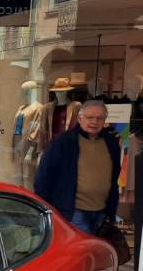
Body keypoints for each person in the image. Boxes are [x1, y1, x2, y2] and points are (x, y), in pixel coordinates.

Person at [35, 99, 121, 234]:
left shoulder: (111, 143)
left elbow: (114, 177)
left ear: (105, 120)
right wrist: (48, 211)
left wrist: (111, 210)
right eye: (90, 117)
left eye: (99, 118)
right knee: (83, 250)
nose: (94, 122)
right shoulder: (63, 143)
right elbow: (43, 178)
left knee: (94, 250)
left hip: (101, 212)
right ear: (80, 119)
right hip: (73, 212)